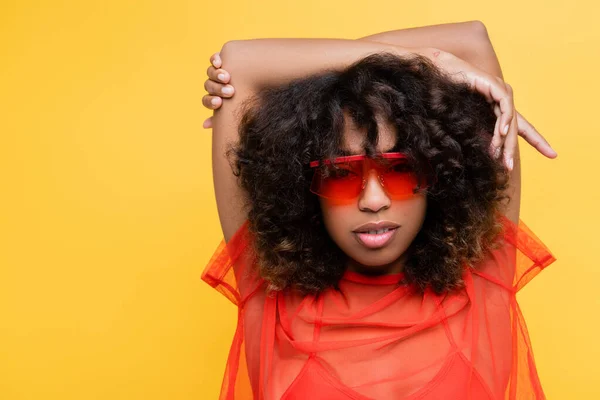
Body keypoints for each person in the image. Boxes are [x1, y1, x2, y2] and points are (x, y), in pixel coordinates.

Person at [200, 21, 558, 400]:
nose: (373, 200)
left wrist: (419, 64)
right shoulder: (271, 293)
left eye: (401, 169)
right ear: (303, 188)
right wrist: (424, 62)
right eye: (340, 174)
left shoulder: (482, 279)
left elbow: (471, 41)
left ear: (440, 174)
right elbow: (240, 64)